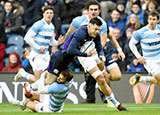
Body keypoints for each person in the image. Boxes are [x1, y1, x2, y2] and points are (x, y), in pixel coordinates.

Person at [15, 18, 128, 111]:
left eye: (98, 30)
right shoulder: (80, 33)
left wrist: (101, 55)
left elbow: (99, 47)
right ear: (89, 26)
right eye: (95, 29)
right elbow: (70, 50)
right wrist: (85, 54)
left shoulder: (95, 35)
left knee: (97, 79)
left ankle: (115, 103)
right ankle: (28, 90)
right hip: (58, 60)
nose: (97, 32)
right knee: (47, 86)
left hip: (67, 62)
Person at [64, 0, 125, 104]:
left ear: (99, 11)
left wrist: (119, 50)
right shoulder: (78, 21)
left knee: (116, 76)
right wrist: (66, 49)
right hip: (85, 55)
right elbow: (69, 35)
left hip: (100, 52)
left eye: (95, 10)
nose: (93, 12)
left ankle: (104, 89)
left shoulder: (103, 24)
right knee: (100, 76)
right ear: (87, 11)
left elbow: (103, 42)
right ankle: (107, 99)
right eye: (91, 9)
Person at [23, 5, 64, 82]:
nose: (49, 14)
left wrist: (58, 43)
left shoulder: (52, 26)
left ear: (53, 15)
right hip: (36, 55)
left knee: (42, 80)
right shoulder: (38, 24)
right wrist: (38, 47)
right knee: (40, 80)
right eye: (47, 13)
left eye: (51, 13)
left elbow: (51, 42)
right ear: (43, 14)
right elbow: (27, 38)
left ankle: (23, 74)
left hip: (45, 55)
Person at [129, 11, 160, 86]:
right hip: (150, 61)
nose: (151, 21)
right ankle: (143, 79)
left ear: (157, 20)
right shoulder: (140, 32)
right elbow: (131, 44)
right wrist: (139, 56)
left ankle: (142, 78)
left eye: (153, 19)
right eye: (150, 19)